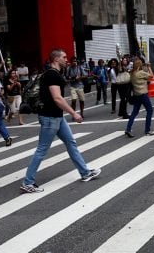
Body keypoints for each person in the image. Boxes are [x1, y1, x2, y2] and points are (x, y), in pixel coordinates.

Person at [21, 49, 100, 193]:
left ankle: (85, 172)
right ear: (56, 59)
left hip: (57, 117)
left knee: (71, 143)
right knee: (41, 150)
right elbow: (57, 98)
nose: (67, 59)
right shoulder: (52, 75)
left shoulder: (51, 74)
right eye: (64, 57)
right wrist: (73, 113)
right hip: (50, 117)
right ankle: (28, 182)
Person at [124, 57, 154, 138]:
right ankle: (147, 130)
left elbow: (146, 79)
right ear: (139, 65)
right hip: (143, 94)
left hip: (136, 94)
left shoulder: (132, 73)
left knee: (134, 112)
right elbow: (152, 76)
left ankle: (128, 129)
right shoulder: (141, 72)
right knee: (150, 110)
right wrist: (149, 67)